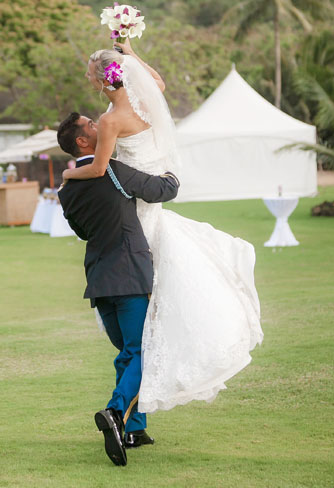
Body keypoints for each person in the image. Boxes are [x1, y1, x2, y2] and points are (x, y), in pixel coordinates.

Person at [61, 39, 263, 413]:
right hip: (154, 186)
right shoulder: (142, 101)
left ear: (105, 81)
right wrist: (132, 51)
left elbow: (102, 168)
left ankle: (126, 413)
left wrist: (70, 173)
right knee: (146, 330)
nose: (88, 80)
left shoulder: (109, 120)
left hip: (135, 209)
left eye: (91, 75)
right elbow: (159, 83)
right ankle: (132, 422)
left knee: (140, 334)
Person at [57, 112, 180, 466]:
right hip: (129, 276)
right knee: (143, 350)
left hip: (99, 281)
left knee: (128, 353)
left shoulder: (67, 189)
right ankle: (115, 411)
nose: (100, 125)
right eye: (91, 125)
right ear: (83, 141)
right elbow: (163, 190)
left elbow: (82, 231)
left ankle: (133, 428)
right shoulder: (113, 171)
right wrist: (171, 168)